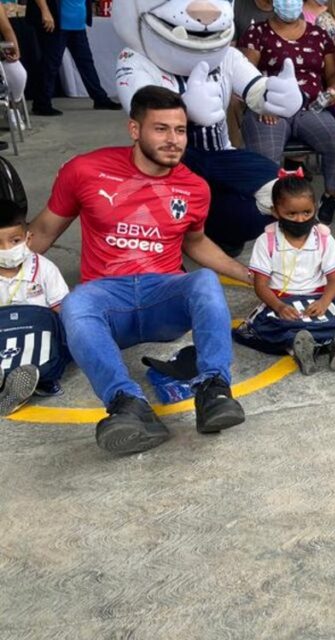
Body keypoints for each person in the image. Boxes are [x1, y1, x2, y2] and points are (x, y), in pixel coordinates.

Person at [28, 87, 249, 455]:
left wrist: (249, 275)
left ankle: (213, 390)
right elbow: (44, 233)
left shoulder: (194, 187)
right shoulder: (85, 170)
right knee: (76, 301)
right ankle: (128, 405)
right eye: (161, 129)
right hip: (107, 303)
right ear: (134, 129)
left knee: (204, 281)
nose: (173, 140)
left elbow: (194, 243)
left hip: (162, 299)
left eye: (180, 130)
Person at [239, 4, 335, 224]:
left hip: (311, 107)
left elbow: (332, 74)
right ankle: (271, 207)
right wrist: (263, 104)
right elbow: (245, 75)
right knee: (265, 156)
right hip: (270, 108)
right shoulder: (257, 32)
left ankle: (330, 197)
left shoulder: (318, 35)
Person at [236, 174, 335, 375]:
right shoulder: (266, 240)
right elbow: (260, 285)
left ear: (315, 209)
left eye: (307, 212)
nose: (300, 219)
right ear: (276, 212)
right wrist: (279, 306)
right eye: (291, 214)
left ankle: (316, 344)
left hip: (318, 298)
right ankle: (309, 346)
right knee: (266, 324)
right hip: (282, 300)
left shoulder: (323, 238)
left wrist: (325, 302)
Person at [0, 204, 70, 414]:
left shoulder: (45, 269)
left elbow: (62, 310)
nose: (6, 249)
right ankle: (21, 383)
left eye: (14, 241)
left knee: (48, 352)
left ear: (28, 239)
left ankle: (22, 381)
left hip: (38, 339)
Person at [26, 0, 120, 116]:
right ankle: (41, 103)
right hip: (58, 22)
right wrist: (45, 11)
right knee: (51, 64)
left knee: (86, 63)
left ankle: (100, 98)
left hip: (77, 23)